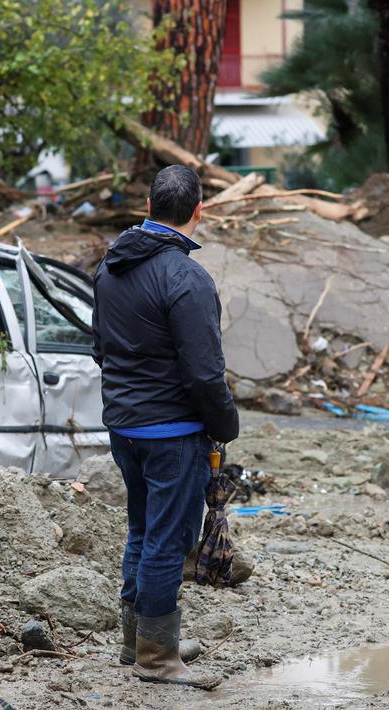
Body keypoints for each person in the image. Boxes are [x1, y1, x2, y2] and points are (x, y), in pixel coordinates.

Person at [91, 164, 239, 690]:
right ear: (200, 212)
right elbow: (204, 373)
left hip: (124, 429)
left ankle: (141, 642)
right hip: (171, 433)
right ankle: (157, 657)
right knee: (167, 542)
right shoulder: (188, 278)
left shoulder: (109, 268)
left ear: (148, 208)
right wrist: (226, 422)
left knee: (142, 530)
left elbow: (100, 351)